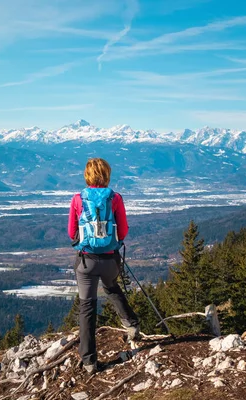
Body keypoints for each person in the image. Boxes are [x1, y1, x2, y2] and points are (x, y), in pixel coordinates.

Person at [68, 158, 140, 374]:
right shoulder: (115, 198)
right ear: (107, 174)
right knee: (112, 287)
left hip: (86, 261)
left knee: (87, 308)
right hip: (110, 260)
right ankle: (132, 324)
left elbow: (72, 232)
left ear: (87, 175)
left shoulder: (78, 199)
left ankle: (89, 361)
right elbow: (124, 230)